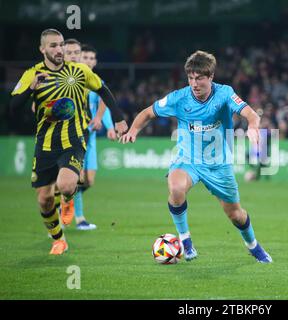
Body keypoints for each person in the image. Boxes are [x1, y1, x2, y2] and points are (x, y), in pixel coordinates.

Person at [120, 50, 272, 263]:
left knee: (236, 214)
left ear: (210, 77)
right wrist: (134, 130)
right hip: (188, 159)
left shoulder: (225, 93)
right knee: (175, 188)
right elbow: (147, 113)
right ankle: (186, 242)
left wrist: (253, 126)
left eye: (199, 78)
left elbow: (250, 113)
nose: (194, 83)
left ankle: (254, 246)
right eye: (191, 78)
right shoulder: (179, 98)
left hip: (218, 164)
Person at [10, 28, 127, 254]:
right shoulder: (31, 75)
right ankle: (59, 239)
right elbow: (12, 108)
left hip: (74, 139)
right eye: (53, 45)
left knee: (66, 184)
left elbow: (103, 90)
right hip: (44, 145)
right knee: (44, 199)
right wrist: (31, 88)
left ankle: (68, 198)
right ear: (42, 49)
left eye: (61, 44)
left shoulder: (79, 71)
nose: (59, 49)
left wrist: (120, 119)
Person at [72, 44, 117, 230]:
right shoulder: (72, 80)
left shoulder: (96, 81)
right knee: (78, 178)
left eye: (92, 58)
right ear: (79, 58)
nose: (89, 61)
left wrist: (109, 127)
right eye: (86, 57)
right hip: (75, 136)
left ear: (95, 61)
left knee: (89, 180)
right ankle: (79, 218)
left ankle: (65, 200)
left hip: (90, 137)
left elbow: (103, 104)